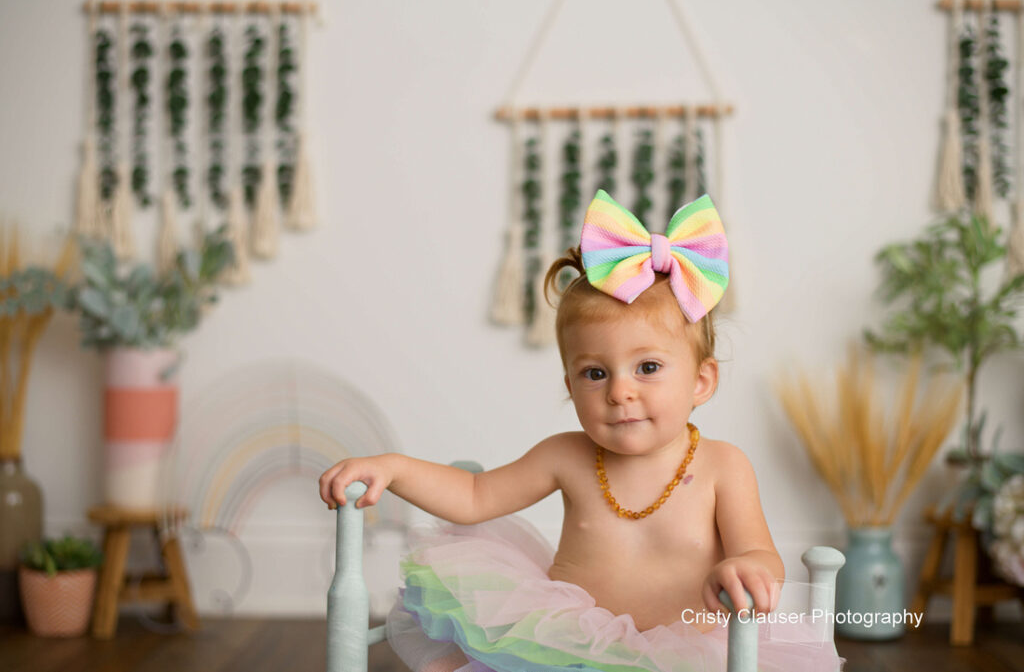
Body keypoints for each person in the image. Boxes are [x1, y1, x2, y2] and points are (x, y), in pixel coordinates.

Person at [319, 190, 845, 672]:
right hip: (563, 649)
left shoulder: (722, 466)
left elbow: (761, 556)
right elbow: (475, 495)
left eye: (648, 368)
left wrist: (746, 569)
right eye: (596, 373)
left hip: (687, 653)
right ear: (571, 385)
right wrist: (394, 466)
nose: (620, 392)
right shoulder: (566, 456)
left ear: (701, 381)